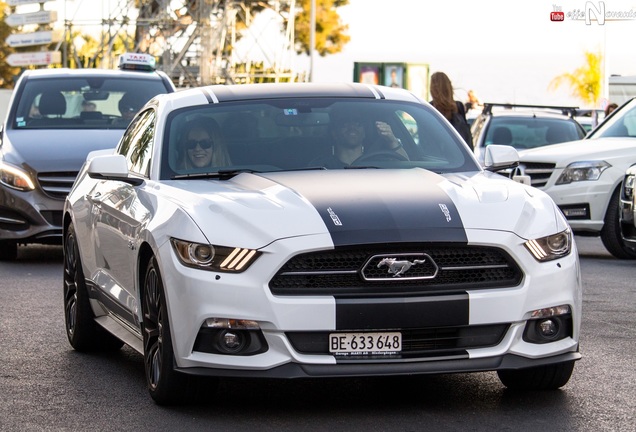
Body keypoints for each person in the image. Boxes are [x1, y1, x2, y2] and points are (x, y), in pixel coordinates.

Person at [311, 111, 407, 168]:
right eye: (345, 123)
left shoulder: (379, 163)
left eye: (358, 123)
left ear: (365, 133)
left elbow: (407, 170)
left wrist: (392, 141)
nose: (352, 126)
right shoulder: (321, 166)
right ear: (334, 134)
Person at [430, 71, 473, 149]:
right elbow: (467, 141)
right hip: (462, 158)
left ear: (433, 89)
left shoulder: (429, 110)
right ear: (448, 87)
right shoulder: (458, 108)